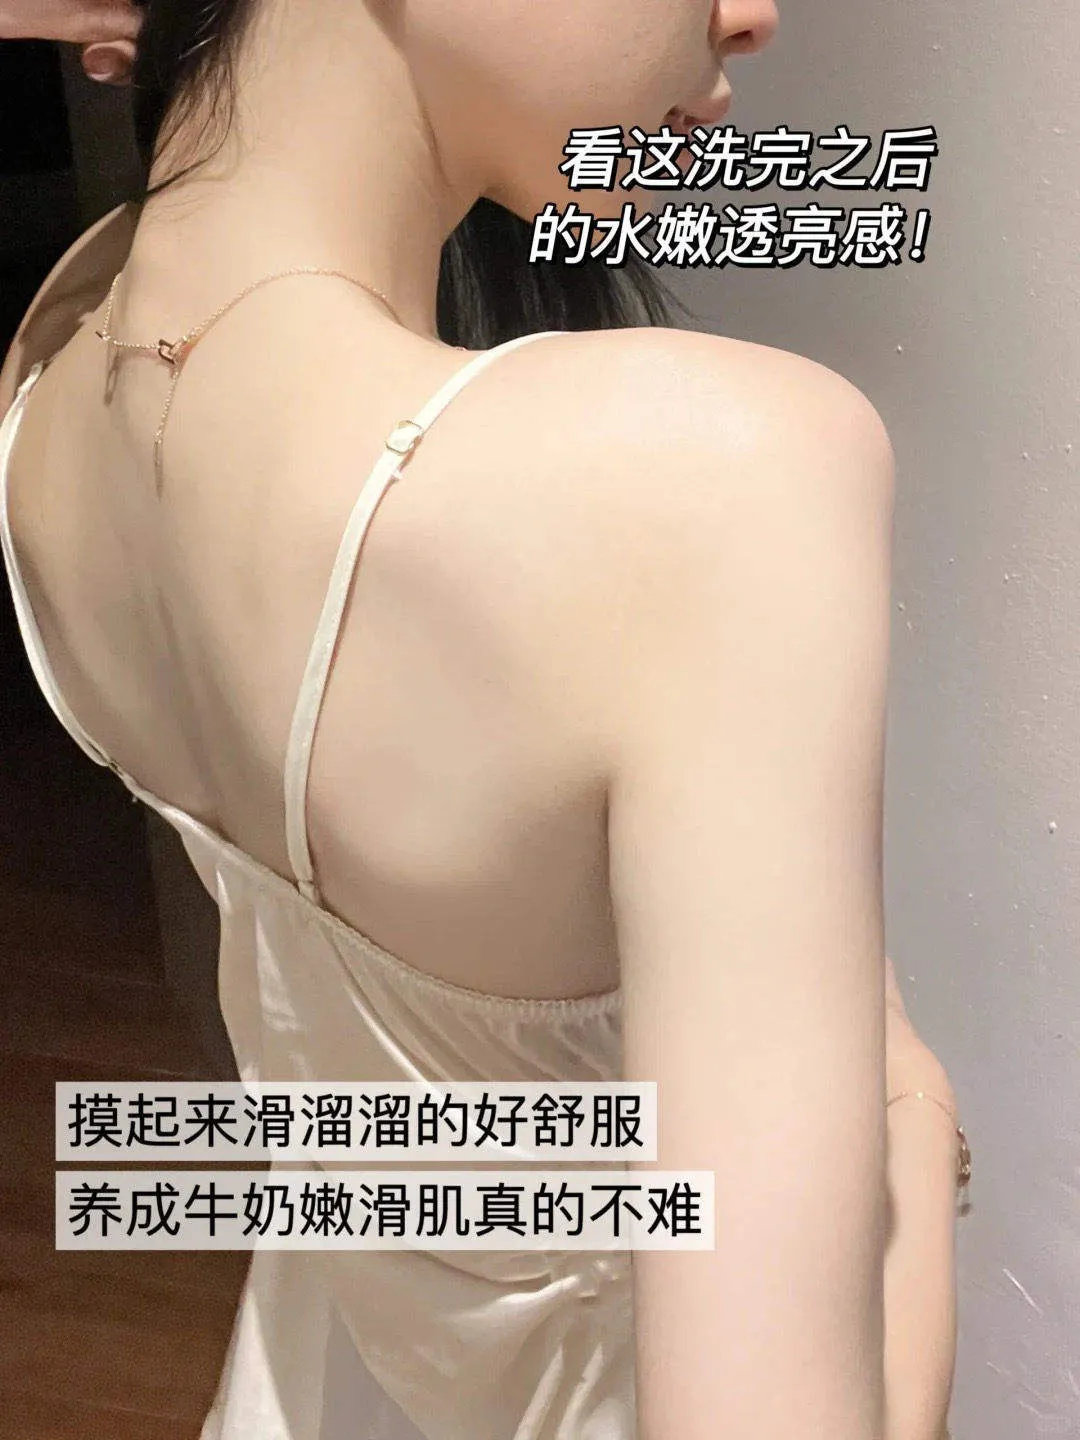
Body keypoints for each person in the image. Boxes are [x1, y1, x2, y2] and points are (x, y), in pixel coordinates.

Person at [0, 0, 969, 1436]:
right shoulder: (719, 480)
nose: (752, 18)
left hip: (347, 1373)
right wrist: (912, 1127)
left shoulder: (52, 368)